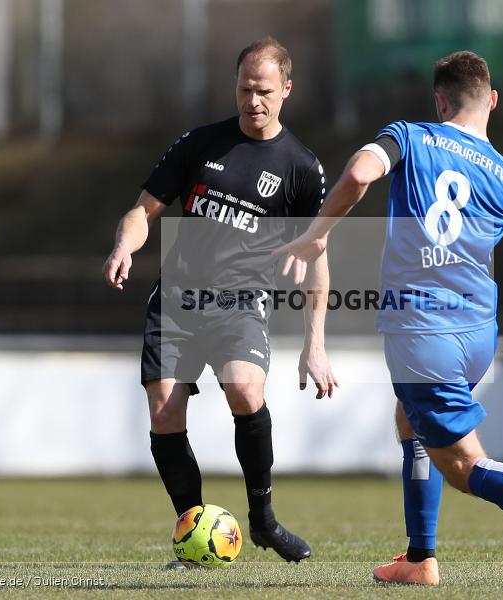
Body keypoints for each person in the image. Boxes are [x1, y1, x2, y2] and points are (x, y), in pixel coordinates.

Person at [275, 51, 503, 584]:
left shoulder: (410, 136)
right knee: (411, 419)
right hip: (477, 335)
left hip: (422, 332)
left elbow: (358, 172)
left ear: (439, 100)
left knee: (466, 467)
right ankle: (419, 559)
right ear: (491, 101)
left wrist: (319, 232)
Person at [103, 37, 337, 565]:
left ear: (287, 90)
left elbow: (316, 257)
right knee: (164, 414)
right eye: (245, 89)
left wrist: (315, 344)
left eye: (265, 92)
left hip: (242, 301)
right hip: (179, 299)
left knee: (244, 388)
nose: (253, 101)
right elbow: (142, 212)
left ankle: (263, 521)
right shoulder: (198, 144)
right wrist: (124, 244)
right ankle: (193, 530)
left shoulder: (302, 168)